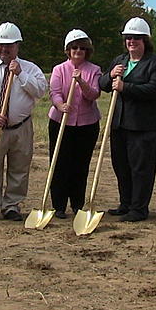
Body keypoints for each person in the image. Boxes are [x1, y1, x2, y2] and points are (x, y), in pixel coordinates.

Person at [0, 22, 47, 220]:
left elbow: (40, 90)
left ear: (17, 46)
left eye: (9, 45)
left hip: (21, 127)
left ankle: (12, 205)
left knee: (19, 167)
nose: (4, 49)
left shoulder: (30, 69)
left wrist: (21, 74)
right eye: (0, 45)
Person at [99, 17, 156, 222]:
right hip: (119, 124)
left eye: (136, 38)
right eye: (128, 38)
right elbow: (102, 84)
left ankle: (139, 208)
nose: (132, 42)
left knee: (141, 169)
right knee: (121, 166)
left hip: (143, 126)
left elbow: (154, 89)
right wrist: (111, 75)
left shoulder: (154, 63)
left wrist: (125, 87)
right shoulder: (120, 61)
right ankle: (125, 203)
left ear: (145, 40)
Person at [47, 29, 101, 219]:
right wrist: (60, 104)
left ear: (87, 51)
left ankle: (77, 204)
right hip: (60, 123)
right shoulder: (59, 69)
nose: (78, 51)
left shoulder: (93, 70)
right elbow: (54, 92)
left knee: (80, 165)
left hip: (87, 124)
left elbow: (94, 94)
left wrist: (80, 82)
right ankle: (58, 205)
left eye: (82, 48)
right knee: (60, 163)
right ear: (68, 50)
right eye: (74, 47)